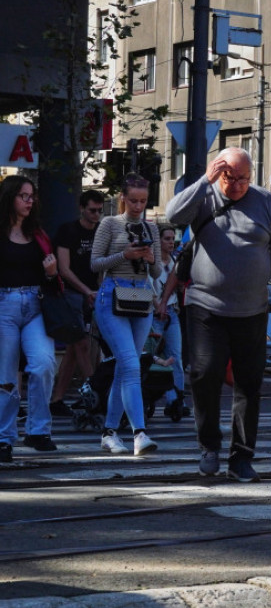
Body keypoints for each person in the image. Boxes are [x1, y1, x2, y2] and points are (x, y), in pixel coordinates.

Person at [165, 147, 271, 482]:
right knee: (204, 373)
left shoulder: (265, 201)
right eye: (230, 177)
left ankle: (241, 458)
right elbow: (173, 215)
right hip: (206, 305)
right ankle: (209, 445)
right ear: (218, 171)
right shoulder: (204, 195)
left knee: (249, 383)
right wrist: (204, 181)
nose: (237, 184)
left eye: (243, 178)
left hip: (252, 310)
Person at [90, 174, 161, 456]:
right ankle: (139, 433)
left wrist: (151, 259)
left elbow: (156, 273)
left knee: (125, 367)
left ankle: (109, 433)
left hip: (141, 298)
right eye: (133, 200)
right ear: (122, 198)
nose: (138, 206)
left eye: (143, 201)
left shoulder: (151, 228)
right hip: (112, 296)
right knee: (131, 364)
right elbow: (95, 264)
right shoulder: (109, 224)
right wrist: (124, 256)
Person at [0, 176, 58, 463]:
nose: (29, 200)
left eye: (31, 196)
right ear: (10, 198)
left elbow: (53, 280)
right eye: (23, 195)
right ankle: (3, 437)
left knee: (44, 363)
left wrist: (51, 273)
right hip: (4, 305)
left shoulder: (37, 233)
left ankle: (38, 431)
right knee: (6, 377)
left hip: (36, 304)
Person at [49, 189, 104, 415]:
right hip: (71, 293)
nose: (96, 215)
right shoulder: (68, 230)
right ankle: (94, 393)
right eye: (92, 210)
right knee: (80, 344)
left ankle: (57, 399)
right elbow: (63, 268)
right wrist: (86, 291)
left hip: (93, 293)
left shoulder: (101, 231)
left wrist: (97, 291)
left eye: (100, 211)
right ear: (82, 208)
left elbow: (103, 263)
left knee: (74, 349)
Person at [153, 226, 189, 418]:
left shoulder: (175, 261)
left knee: (175, 357)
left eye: (172, 239)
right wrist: (157, 304)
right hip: (154, 314)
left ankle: (175, 400)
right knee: (151, 358)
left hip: (172, 313)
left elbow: (179, 286)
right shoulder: (153, 263)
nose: (170, 242)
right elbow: (148, 285)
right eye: (166, 238)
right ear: (157, 241)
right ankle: (149, 396)